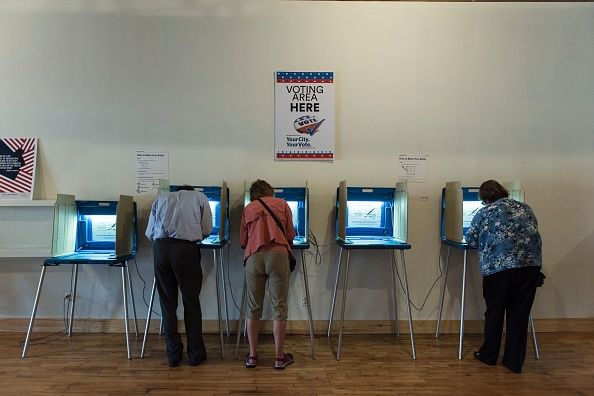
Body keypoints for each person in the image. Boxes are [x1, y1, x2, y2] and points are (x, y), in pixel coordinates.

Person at [466, 180, 543, 373]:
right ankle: (514, 361)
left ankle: (489, 355)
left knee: (495, 312)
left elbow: (472, 240)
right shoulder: (526, 208)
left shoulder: (484, 212)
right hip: (529, 267)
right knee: (519, 315)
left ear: (484, 199)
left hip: (499, 269)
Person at [145, 185, 212, 367]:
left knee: (167, 304)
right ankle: (195, 354)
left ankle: (173, 355)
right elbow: (207, 229)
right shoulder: (200, 197)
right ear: (191, 190)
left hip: (161, 250)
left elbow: (149, 233)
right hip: (185, 251)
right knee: (191, 303)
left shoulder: (161, 198)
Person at [240, 179, 295, 370]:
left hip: (254, 257)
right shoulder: (283, 204)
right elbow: (290, 235)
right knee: (279, 307)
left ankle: (253, 356)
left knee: (253, 306)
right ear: (270, 191)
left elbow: (242, 240)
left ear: (254, 194)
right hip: (278, 256)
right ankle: (279, 358)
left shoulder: (249, 208)